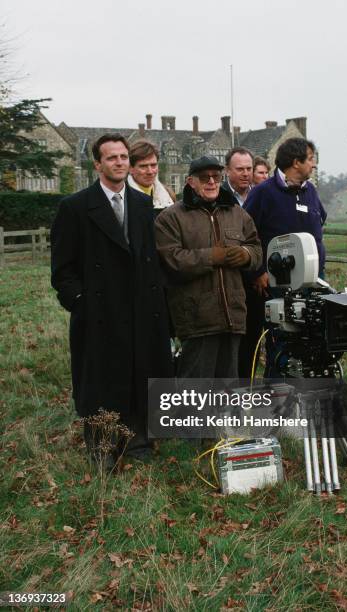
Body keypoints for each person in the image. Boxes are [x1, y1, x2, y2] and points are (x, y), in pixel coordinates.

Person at [51, 133, 173, 465]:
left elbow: (150, 260)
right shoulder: (74, 207)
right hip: (100, 312)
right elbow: (62, 270)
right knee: (102, 379)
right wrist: (82, 302)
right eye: (112, 158)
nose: (119, 163)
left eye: (123, 157)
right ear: (98, 164)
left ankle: (138, 442)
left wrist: (156, 302)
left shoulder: (142, 205)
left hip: (140, 310)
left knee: (139, 371)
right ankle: (104, 447)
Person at [154, 155, 262, 378]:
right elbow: (172, 260)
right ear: (190, 182)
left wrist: (245, 255)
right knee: (195, 395)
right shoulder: (171, 217)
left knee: (227, 393)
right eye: (204, 178)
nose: (211, 182)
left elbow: (257, 250)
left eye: (216, 176)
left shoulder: (237, 213)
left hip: (234, 317)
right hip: (196, 319)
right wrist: (212, 257)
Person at [239, 137, 327, 378]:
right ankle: (277, 401)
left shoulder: (311, 192)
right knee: (283, 343)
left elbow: (321, 221)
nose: (314, 164)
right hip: (280, 285)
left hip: (315, 282)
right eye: (310, 159)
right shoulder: (263, 193)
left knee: (313, 341)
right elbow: (244, 234)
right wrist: (256, 272)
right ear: (295, 162)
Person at [128, 140, 175, 214]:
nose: (150, 171)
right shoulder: (121, 198)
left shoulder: (168, 196)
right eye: (143, 166)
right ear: (130, 168)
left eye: (153, 165)